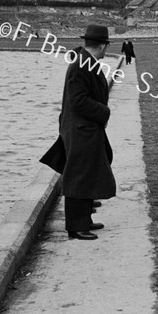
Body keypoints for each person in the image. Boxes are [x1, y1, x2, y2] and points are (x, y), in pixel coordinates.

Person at [40, 24, 116, 240]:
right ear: (101, 46)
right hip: (81, 129)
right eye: (106, 46)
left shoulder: (85, 62)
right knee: (78, 175)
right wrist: (104, 112)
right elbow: (78, 101)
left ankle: (86, 218)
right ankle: (75, 227)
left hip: (86, 127)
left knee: (92, 168)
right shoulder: (81, 66)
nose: (105, 51)